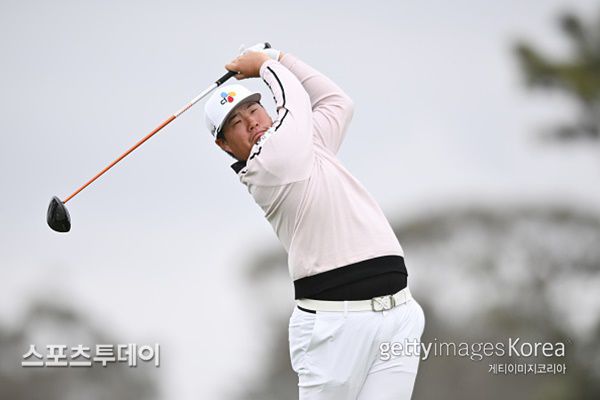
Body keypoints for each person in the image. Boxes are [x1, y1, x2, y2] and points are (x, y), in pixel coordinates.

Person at [204, 43, 426, 400]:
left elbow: (338, 103)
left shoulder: (307, 144)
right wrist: (267, 65)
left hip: (399, 314)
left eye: (254, 110)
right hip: (333, 328)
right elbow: (296, 102)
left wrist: (282, 58)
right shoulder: (267, 166)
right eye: (236, 123)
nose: (252, 122)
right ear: (225, 145)